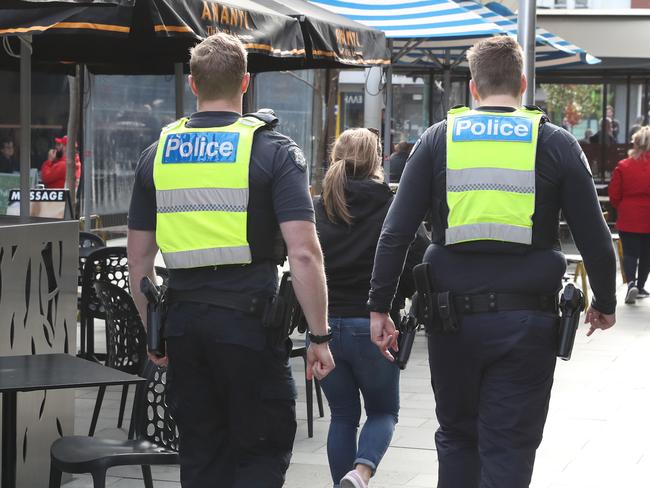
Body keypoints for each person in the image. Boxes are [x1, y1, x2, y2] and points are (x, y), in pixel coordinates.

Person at [367, 36, 617, 488]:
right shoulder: (555, 142)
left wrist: (379, 307)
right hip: (527, 322)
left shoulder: (438, 138)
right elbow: (595, 237)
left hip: (451, 322)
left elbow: (395, 232)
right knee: (510, 446)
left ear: (472, 87)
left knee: (458, 438)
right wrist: (605, 301)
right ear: (523, 83)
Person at [127, 33, 335, 488]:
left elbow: (139, 265)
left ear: (193, 85)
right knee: (259, 451)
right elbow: (303, 252)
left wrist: (155, 336)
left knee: (201, 454)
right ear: (245, 83)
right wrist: (319, 335)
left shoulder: (157, 155)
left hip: (182, 326)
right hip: (249, 328)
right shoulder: (273, 151)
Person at [314, 129, 427, 488]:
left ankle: (342, 484)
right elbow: (420, 260)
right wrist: (402, 298)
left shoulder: (318, 207)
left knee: (342, 416)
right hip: (375, 326)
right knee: (383, 412)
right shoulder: (392, 204)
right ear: (377, 161)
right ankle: (361, 473)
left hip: (326, 327)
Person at [608, 125, 650, 303]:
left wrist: (621, 206)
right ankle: (640, 286)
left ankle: (631, 283)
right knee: (647, 254)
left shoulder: (623, 165)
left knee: (630, 253)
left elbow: (614, 194)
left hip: (629, 215)